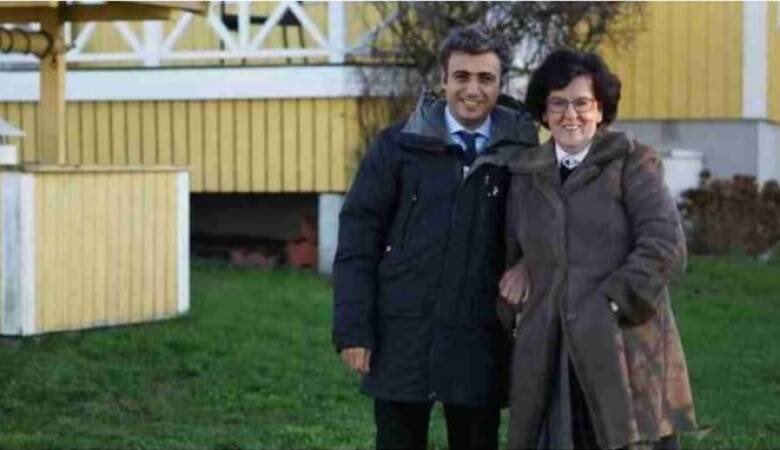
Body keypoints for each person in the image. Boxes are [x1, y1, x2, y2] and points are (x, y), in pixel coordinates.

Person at [332, 25, 537, 450]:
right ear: (443, 79)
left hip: (479, 337)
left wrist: (527, 263)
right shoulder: (397, 146)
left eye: (485, 78)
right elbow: (358, 240)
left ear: (501, 84)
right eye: (461, 76)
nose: (472, 90)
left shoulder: (524, 154)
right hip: (401, 335)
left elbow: (550, 227)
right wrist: (354, 329)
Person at [500, 49, 698, 449]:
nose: (570, 114)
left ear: (600, 108)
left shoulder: (632, 162)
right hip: (551, 350)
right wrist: (522, 265)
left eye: (581, 102)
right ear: (544, 112)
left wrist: (612, 301)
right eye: (558, 103)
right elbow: (519, 243)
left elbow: (665, 244)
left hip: (621, 343)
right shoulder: (525, 173)